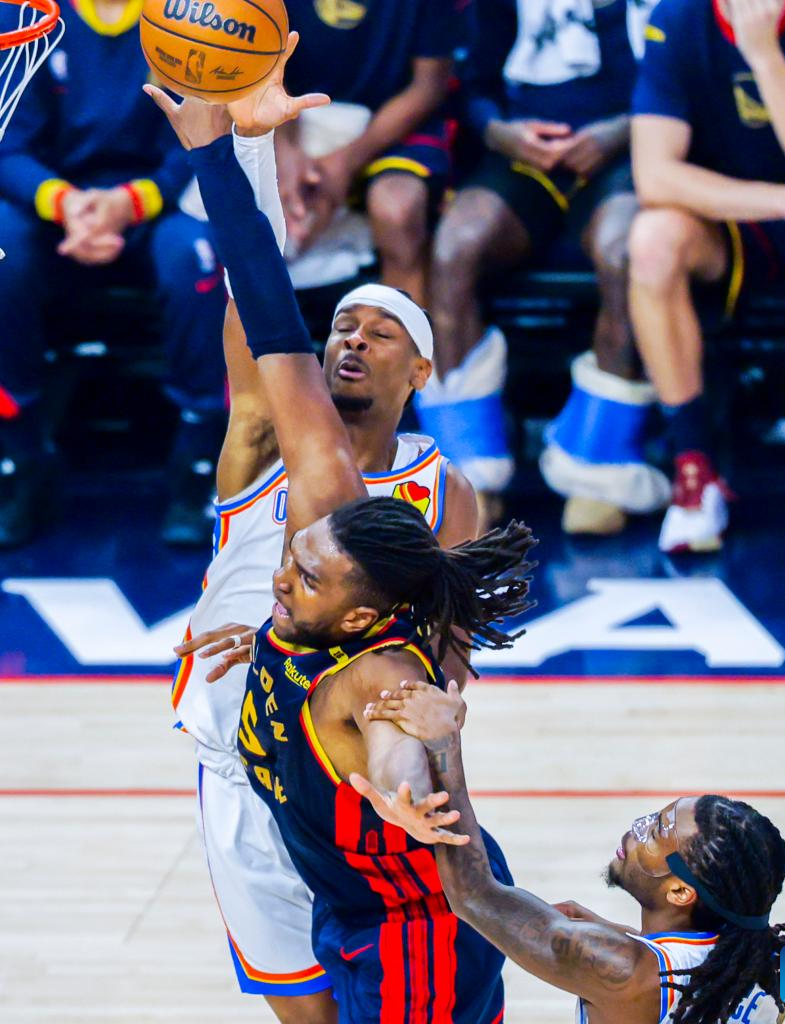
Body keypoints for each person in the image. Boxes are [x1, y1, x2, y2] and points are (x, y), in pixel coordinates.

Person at [147, 62, 536, 1023]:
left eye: (380, 331)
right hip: (241, 754)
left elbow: (427, 670)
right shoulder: (277, 438)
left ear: (423, 369)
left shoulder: (438, 493)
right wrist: (246, 144)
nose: (352, 341)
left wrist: (416, 755)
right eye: (343, 327)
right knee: (304, 1005)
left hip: (348, 775)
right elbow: (258, 291)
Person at [355, 679, 785, 1024]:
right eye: (655, 817)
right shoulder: (769, 956)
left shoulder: (622, 969)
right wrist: (625, 935)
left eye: (655, 833)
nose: (636, 830)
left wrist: (443, 745)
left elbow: (474, 896)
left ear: (680, 892)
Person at [418, 0, 669, 534]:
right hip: (523, 156)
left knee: (624, 252)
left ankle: (597, 469)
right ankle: (471, 477)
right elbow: (474, 85)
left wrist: (621, 131)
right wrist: (499, 133)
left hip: (632, 152)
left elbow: (691, 82)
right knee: (454, 249)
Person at [629, 0, 785, 556]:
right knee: (651, 240)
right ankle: (694, 472)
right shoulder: (678, 18)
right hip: (729, 219)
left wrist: (765, 57)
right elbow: (654, 176)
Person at [0, 0, 228, 548]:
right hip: (55, 205)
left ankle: (198, 466)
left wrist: (130, 203)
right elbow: (9, 148)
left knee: (196, 259)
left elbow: (196, 140)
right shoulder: (26, 16)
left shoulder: (188, 18)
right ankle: (21, 458)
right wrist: (66, 205)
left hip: (155, 203)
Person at [273, 0, 458, 304]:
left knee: (398, 211)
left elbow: (428, 86)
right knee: (237, 215)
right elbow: (255, 63)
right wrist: (285, 149)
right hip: (286, 114)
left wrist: (345, 162)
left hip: (391, 122)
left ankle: (399, 331)